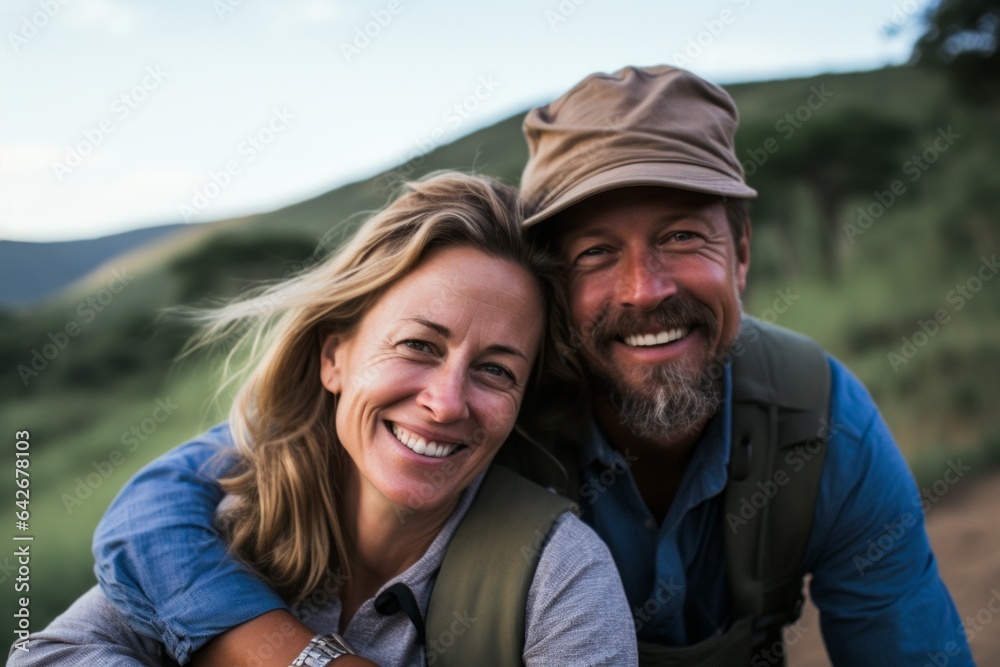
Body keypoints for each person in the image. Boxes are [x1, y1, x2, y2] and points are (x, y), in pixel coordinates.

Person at [77, 66, 971, 666]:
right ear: (547, 288)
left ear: (741, 252)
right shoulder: (476, 404)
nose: (644, 288)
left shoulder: (821, 419)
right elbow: (159, 506)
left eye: (683, 237)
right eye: (593, 255)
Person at [7, 173, 638, 667]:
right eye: (418, 345)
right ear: (334, 357)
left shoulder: (558, 577)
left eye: (496, 370)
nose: (447, 403)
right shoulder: (224, 522)